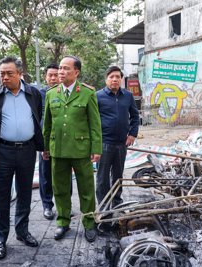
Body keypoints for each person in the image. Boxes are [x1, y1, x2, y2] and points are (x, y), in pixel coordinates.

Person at [43, 56, 102, 243]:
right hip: (58, 149)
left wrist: (96, 148)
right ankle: (63, 222)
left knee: (86, 189)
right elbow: (47, 124)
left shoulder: (87, 93)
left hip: (81, 149)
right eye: (60, 68)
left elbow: (95, 124)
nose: (60, 72)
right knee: (59, 188)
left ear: (76, 72)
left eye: (65, 68)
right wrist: (45, 147)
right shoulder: (51, 94)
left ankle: (89, 223)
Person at [0, 56, 44, 260]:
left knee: (25, 192)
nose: (4, 77)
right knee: (1, 196)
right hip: (3, 152)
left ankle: (22, 231)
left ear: (20, 74)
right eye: (2, 73)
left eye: (9, 73)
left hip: (27, 151)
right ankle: (0, 239)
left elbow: (37, 116)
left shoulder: (33, 94)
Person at [96, 66, 140, 209]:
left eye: (117, 77)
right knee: (102, 177)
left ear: (121, 79)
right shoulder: (97, 96)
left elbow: (134, 116)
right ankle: (103, 204)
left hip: (122, 144)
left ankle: (117, 201)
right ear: (106, 79)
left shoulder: (127, 96)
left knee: (118, 175)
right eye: (111, 77)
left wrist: (132, 134)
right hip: (104, 143)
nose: (114, 79)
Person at [38, 63, 59, 220]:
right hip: (45, 141)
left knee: (63, 174)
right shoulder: (39, 95)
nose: (53, 78)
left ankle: (64, 205)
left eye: (56, 75)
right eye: (50, 75)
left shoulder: (66, 93)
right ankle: (47, 205)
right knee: (45, 174)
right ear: (46, 77)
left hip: (63, 142)